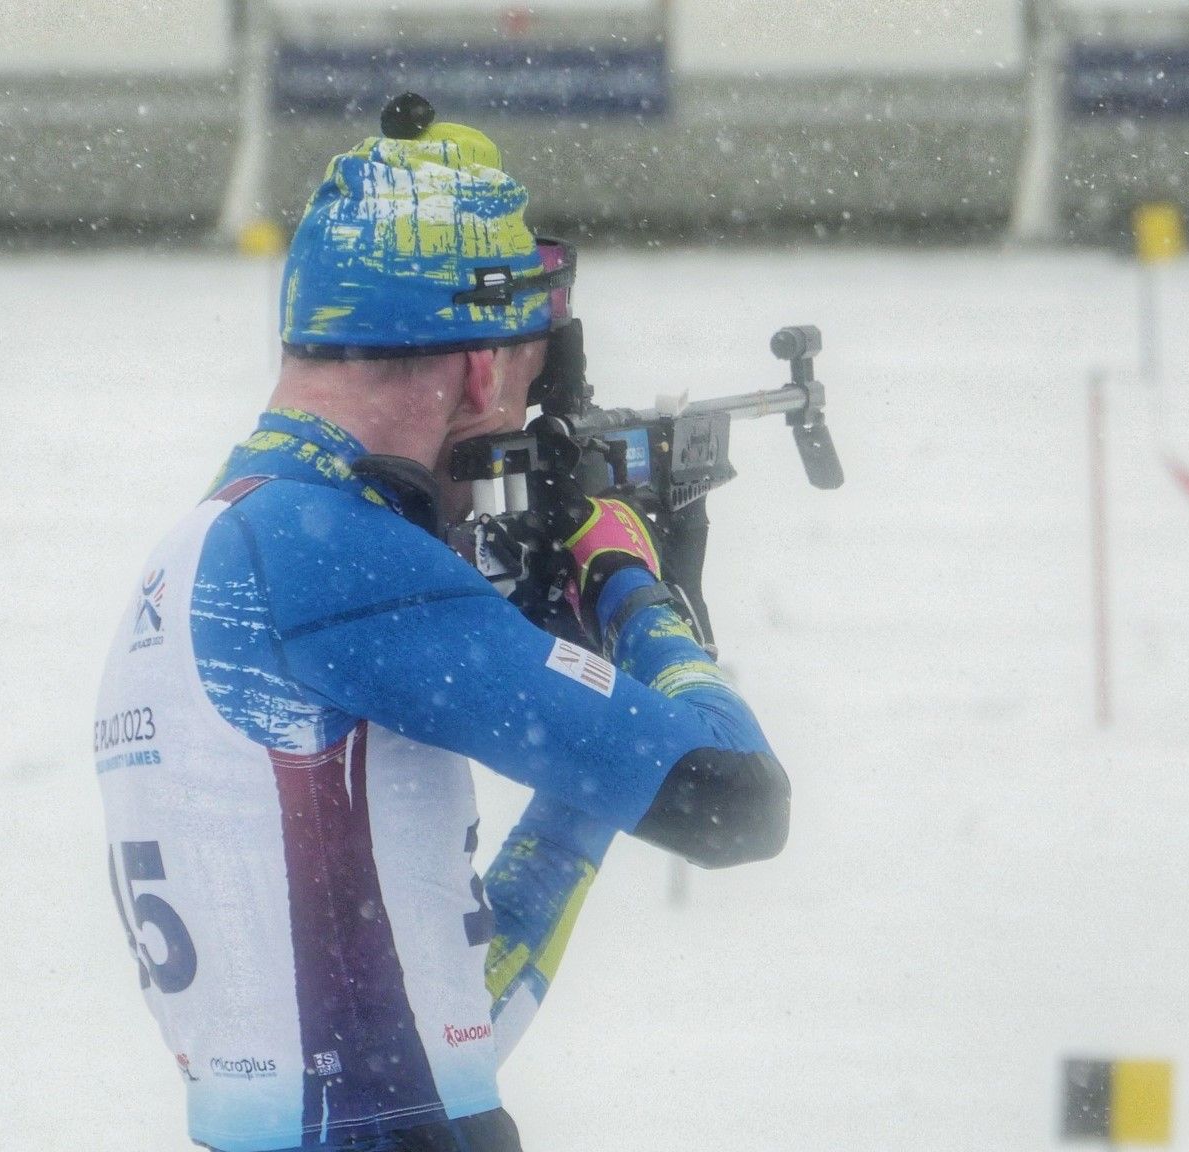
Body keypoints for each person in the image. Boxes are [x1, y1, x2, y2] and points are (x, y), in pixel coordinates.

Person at [92, 100, 789, 1152]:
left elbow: (456, 1025)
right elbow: (737, 801)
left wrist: (596, 735)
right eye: (525, 372)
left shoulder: (241, 538)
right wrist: (630, 589)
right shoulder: (329, 554)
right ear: (477, 368)